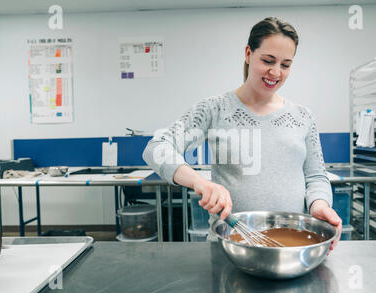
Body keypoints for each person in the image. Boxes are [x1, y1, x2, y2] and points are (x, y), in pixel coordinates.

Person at [143, 17, 342, 251]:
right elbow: (157, 147)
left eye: (285, 65)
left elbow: (316, 176)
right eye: (268, 60)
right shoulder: (214, 109)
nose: (275, 72)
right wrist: (200, 182)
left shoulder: (303, 117)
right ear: (248, 53)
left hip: (291, 247)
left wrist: (319, 204)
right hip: (230, 247)